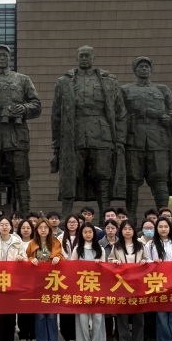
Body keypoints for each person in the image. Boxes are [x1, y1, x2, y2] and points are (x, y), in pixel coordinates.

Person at [51, 45, 127, 217]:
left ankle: (105, 216)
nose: (84, 58)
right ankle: (66, 216)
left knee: (102, 175)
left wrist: (120, 139)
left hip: (102, 134)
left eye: (87, 56)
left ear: (94, 58)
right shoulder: (64, 82)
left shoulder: (109, 81)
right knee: (70, 174)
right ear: (77, 58)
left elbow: (120, 112)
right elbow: (56, 115)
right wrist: (56, 143)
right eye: (81, 56)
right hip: (74, 134)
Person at [121, 56, 172, 216]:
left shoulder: (162, 90)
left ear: (151, 70)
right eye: (140, 66)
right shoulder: (125, 90)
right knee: (132, 180)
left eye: (146, 66)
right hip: (134, 141)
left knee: (160, 179)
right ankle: (130, 218)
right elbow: (118, 113)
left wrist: (170, 118)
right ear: (134, 70)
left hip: (158, 142)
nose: (144, 69)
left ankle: (164, 216)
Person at [0, 44, 41, 216]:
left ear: (10, 58)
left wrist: (23, 108)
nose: (2, 58)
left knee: (21, 176)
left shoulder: (22, 80)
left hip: (16, 135)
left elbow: (36, 105)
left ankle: (25, 214)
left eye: (5, 55)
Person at [144, 217, 172, 341]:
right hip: (159, 282)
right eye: (160, 226)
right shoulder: (150, 245)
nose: (163, 229)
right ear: (156, 228)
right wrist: (153, 262)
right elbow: (146, 261)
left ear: (169, 228)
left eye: (165, 226)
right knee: (161, 315)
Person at [108, 219, 147, 341]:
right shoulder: (117, 246)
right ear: (121, 231)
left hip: (138, 284)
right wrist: (114, 261)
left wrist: (144, 261)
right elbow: (109, 260)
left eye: (130, 229)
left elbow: (148, 260)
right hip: (122, 285)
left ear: (134, 231)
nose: (127, 231)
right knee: (122, 316)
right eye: (125, 229)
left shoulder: (141, 245)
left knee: (138, 316)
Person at [27, 217, 65, 341]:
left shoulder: (55, 242)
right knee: (40, 315)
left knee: (52, 314)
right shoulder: (32, 243)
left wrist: (58, 258)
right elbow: (26, 259)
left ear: (49, 229)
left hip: (52, 282)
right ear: (36, 229)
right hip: (37, 284)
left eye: (45, 227)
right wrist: (31, 260)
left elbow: (62, 258)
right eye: (40, 227)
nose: (43, 230)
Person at [72, 223, 106, 341]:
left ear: (94, 233)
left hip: (97, 287)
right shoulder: (77, 249)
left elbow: (106, 269)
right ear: (81, 234)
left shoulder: (100, 249)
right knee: (82, 318)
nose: (87, 234)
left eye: (90, 232)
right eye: (85, 232)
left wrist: (100, 265)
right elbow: (71, 268)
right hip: (81, 288)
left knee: (98, 317)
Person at [59, 213, 82, 341]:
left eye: (74, 222)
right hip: (65, 276)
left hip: (80, 276)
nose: (72, 224)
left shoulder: (83, 237)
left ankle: (78, 334)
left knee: (78, 305)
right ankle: (67, 335)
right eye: (70, 222)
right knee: (66, 304)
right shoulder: (60, 238)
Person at [16, 219, 37, 341]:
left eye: (28, 227)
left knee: (33, 308)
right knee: (22, 308)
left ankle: (33, 335)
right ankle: (23, 334)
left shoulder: (36, 243)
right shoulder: (16, 242)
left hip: (35, 280)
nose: (25, 230)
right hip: (20, 280)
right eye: (23, 228)